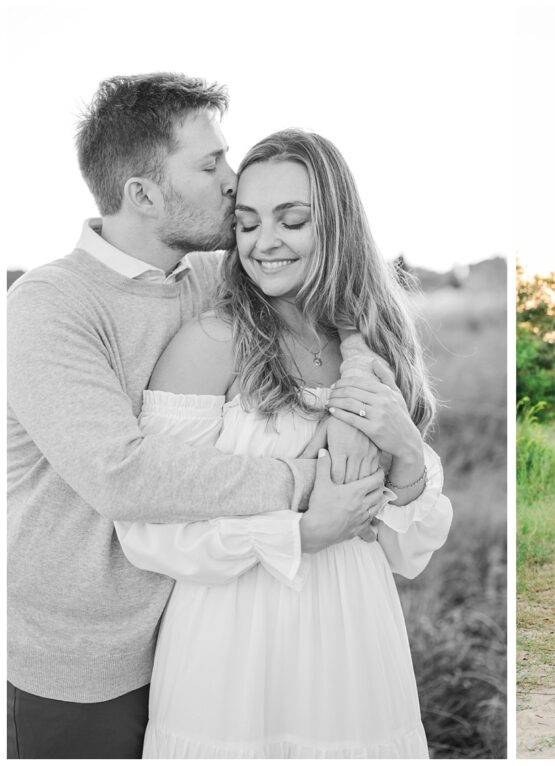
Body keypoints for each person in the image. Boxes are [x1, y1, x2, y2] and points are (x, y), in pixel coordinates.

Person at [6, 73, 371, 759]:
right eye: (211, 165)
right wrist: (299, 482)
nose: (234, 182)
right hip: (85, 660)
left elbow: (331, 301)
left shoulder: (211, 277)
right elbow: (122, 472)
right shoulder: (48, 304)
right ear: (143, 193)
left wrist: (355, 389)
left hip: (200, 632)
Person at [114, 128, 453, 758]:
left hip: (356, 643)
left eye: (291, 220)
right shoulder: (210, 344)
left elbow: (408, 553)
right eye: (246, 223)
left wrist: (405, 448)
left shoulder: (374, 345)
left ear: (337, 225)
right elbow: (146, 531)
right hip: (232, 653)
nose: (264, 243)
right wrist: (297, 533)